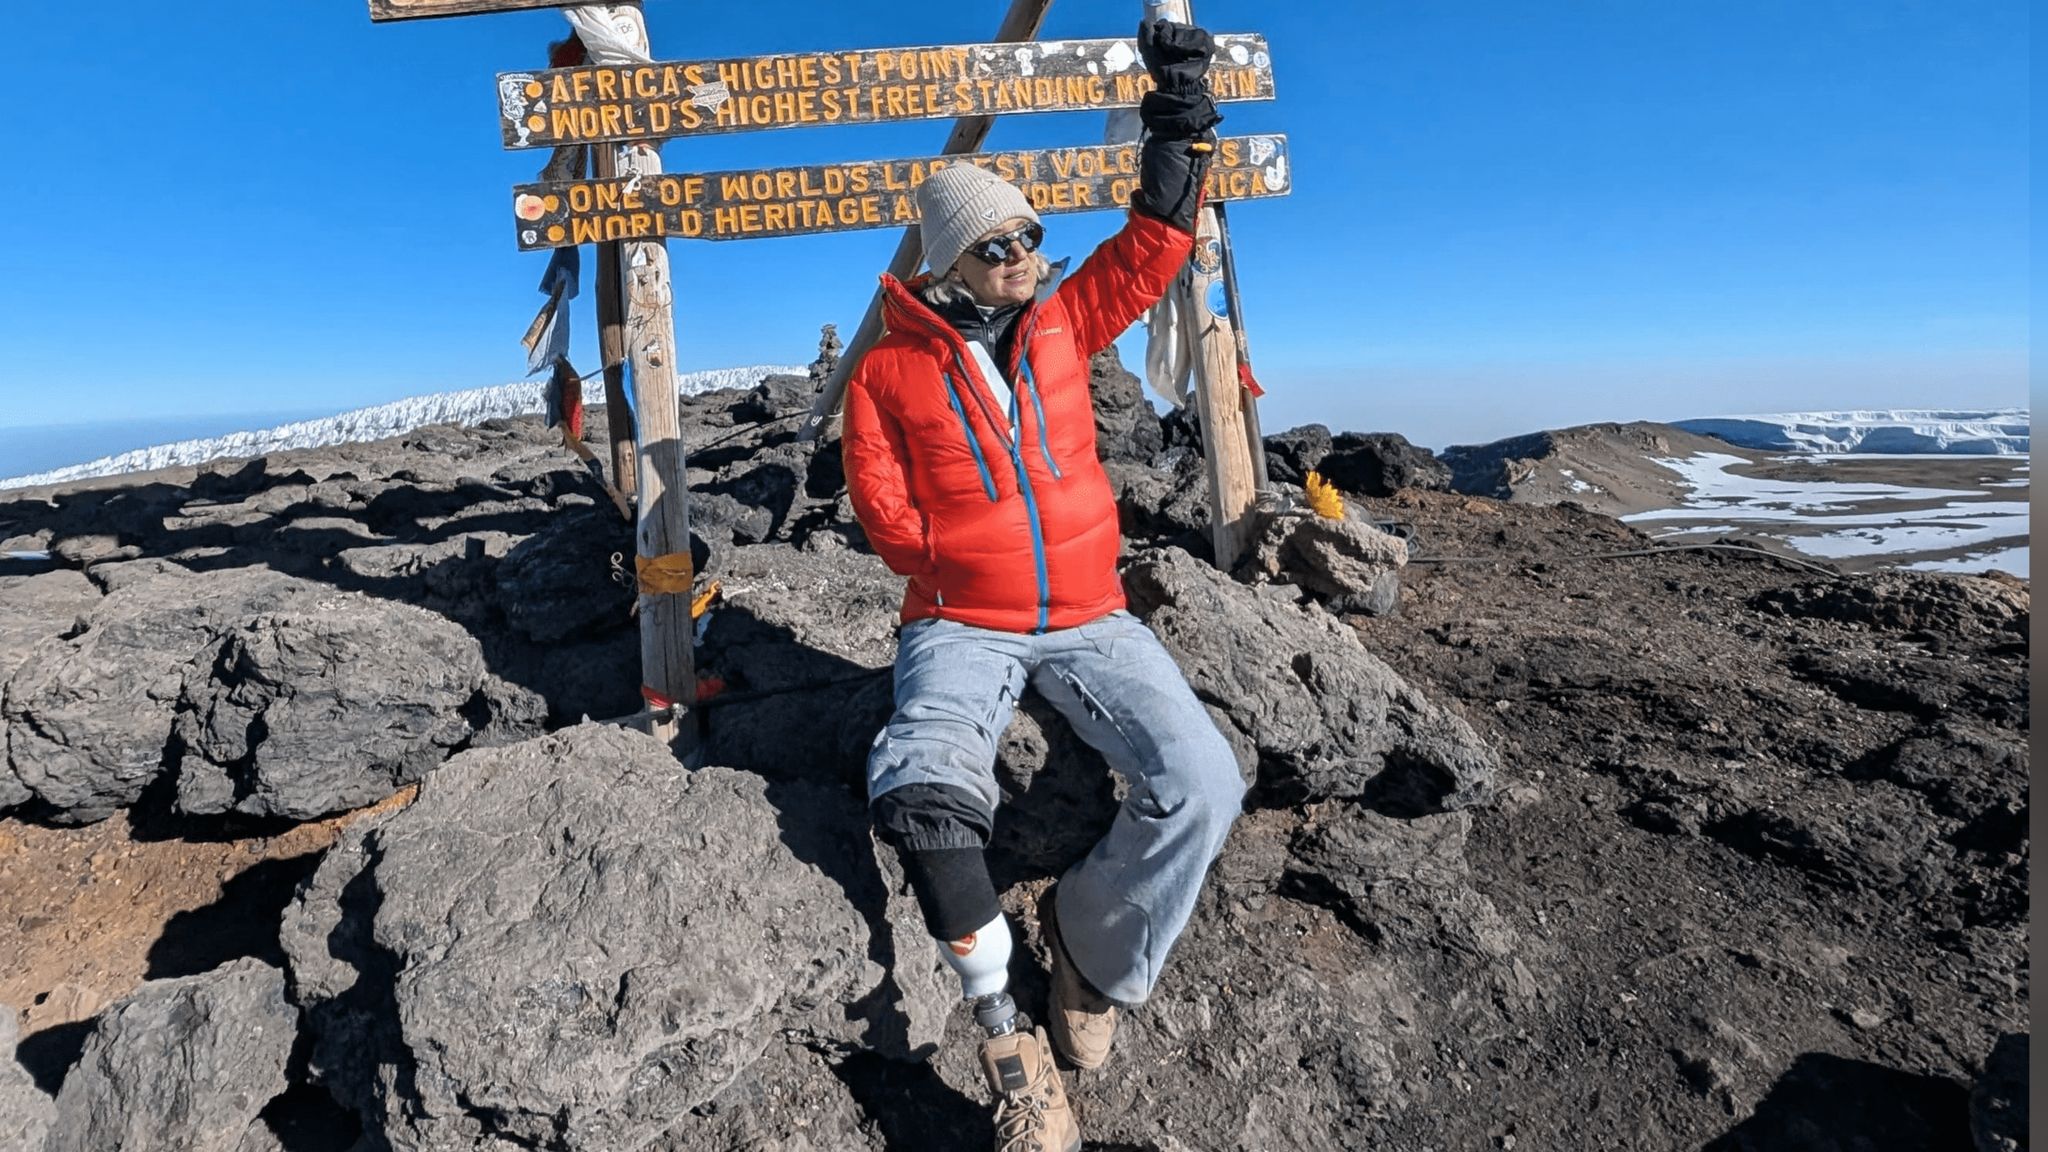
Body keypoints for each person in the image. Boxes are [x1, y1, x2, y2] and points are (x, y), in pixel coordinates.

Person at [843, 19, 1246, 1152]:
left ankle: (1088, 948)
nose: (1021, 256)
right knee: (925, 789)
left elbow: (1158, 236)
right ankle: (1001, 1032)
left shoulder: (1065, 320)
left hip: (1091, 616)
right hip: (959, 620)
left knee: (1203, 781)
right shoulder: (886, 368)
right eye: (995, 244)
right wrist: (947, 560)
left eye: (1029, 235)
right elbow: (881, 508)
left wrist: (1179, 100)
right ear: (944, 262)